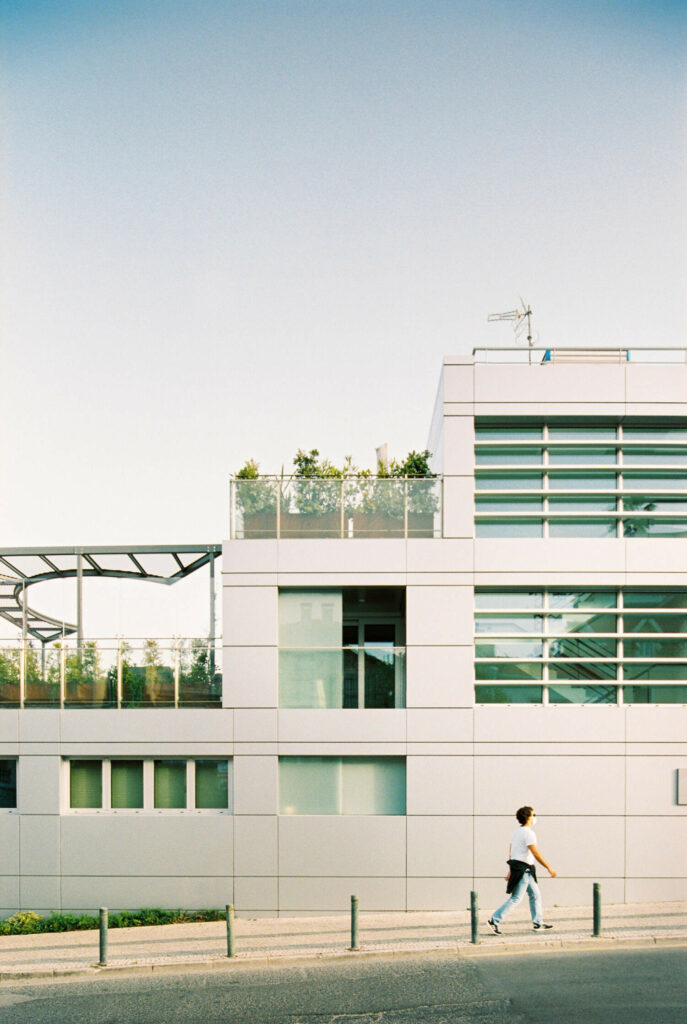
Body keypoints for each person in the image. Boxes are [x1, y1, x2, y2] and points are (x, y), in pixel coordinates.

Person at [488, 805, 556, 934]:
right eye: (533, 815)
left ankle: (538, 923)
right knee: (516, 898)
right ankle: (494, 920)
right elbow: (535, 853)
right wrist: (549, 868)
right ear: (528, 817)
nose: (535, 817)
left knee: (535, 895)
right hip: (524, 870)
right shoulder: (528, 833)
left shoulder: (516, 832)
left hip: (523, 869)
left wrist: (510, 871)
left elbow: (512, 852)